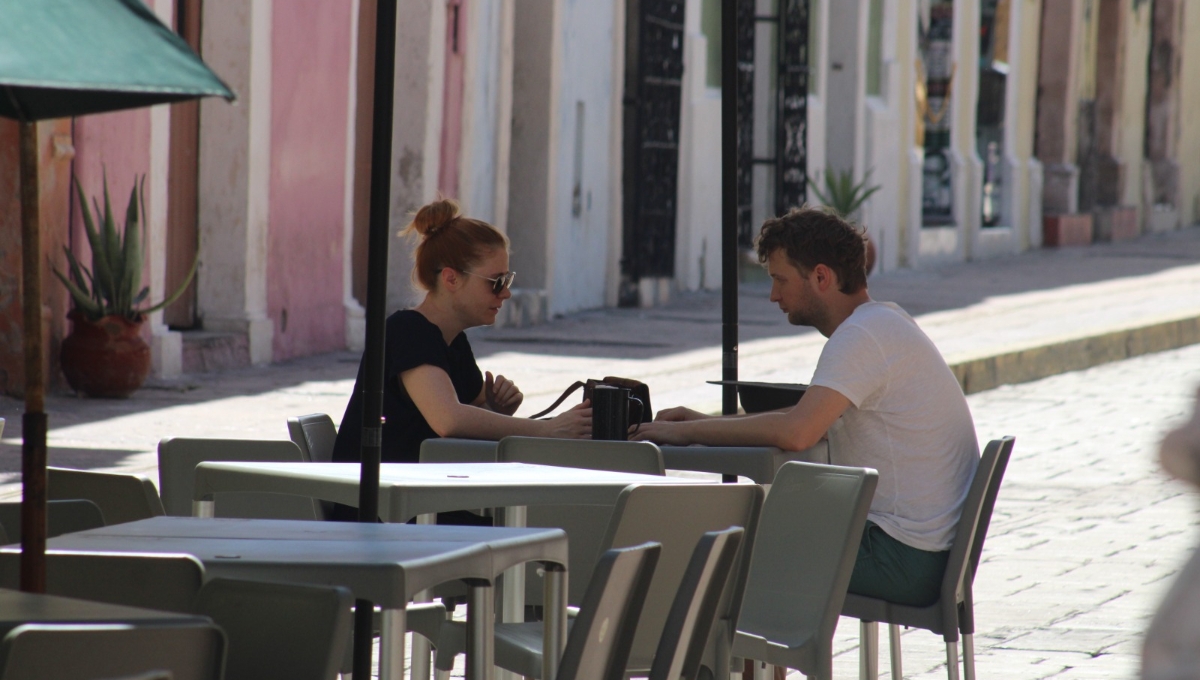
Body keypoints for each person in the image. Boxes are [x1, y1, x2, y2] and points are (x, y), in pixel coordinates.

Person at [634, 207, 979, 606]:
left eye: (780, 280)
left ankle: (753, 664)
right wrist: (703, 420)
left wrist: (683, 433)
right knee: (750, 534)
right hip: (920, 553)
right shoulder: (882, 322)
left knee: (725, 551)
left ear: (820, 277)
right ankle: (759, 663)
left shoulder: (861, 337)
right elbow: (804, 416)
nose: (773, 295)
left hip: (904, 559)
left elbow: (798, 433)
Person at [331, 198, 591, 480]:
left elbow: (466, 420)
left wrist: (495, 409)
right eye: (496, 282)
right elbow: (448, 420)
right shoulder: (408, 331)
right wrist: (547, 430)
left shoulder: (453, 341)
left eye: (508, 281)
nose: (505, 293)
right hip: (379, 508)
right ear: (451, 279)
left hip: (420, 498)